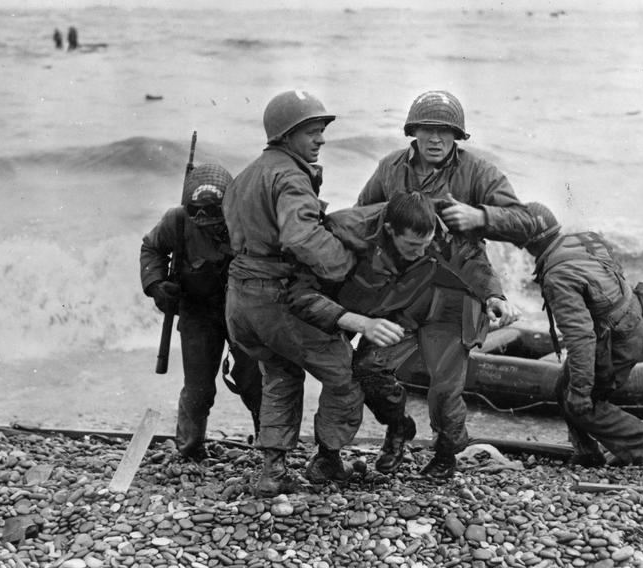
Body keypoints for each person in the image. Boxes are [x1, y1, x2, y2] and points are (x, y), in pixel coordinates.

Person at [290, 192, 511, 478]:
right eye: (411, 246)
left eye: (426, 244)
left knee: (445, 387)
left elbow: (474, 260)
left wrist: (494, 295)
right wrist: (354, 321)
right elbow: (301, 292)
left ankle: (446, 453)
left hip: (452, 305)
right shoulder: (344, 233)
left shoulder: (446, 224)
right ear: (390, 231)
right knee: (367, 368)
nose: (421, 252)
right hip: (401, 303)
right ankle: (398, 427)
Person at [223, 89, 366, 497]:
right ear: (286, 136)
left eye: (321, 131)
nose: (321, 140)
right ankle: (328, 459)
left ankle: (273, 470)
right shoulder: (290, 176)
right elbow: (301, 236)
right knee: (344, 372)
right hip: (276, 297)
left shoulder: (246, 175)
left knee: (281, 374)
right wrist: (344, 264)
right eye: (311, 132)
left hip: (239, 302)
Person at [513, 203, 643, 473]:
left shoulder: (558, 275)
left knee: (581, 402)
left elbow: (581, 338)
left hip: (613, 338)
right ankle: (589, 453)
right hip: (630, 320)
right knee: (562, 388)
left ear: (527, 243)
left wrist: (580, 391)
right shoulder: (583, 239)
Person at [355, 90, 531, 325]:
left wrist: (480, 217)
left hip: (456, 285)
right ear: (414, 131)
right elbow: (361, 218)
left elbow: (525, 222)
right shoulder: (390, 167)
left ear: (456, 135)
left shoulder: (478, 172)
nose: (435, 139)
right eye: (427, 129)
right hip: (397, 286)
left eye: (444, 130)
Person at [140, 163, 263, 461]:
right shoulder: (177, 221)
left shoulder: (248, 222)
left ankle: (269, 447)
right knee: (197, 388)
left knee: (254, 380)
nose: (204, 218)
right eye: (196, 210)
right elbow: (151, 248)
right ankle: (189, 449)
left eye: (213, 210)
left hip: (242, 311)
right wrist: (156, 285)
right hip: (197, 312)